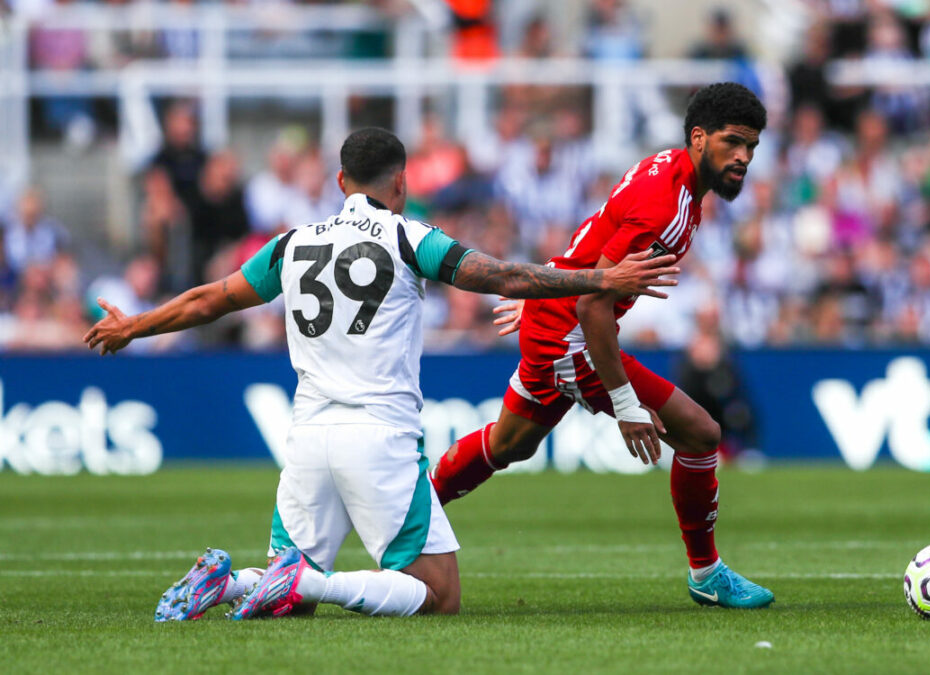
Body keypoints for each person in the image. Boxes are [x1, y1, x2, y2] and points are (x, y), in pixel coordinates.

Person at [83, 127, 678, 621]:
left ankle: (233, 581)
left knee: (282, 599)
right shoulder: (407, 234)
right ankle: (302, 583)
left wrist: (134, 325)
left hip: (309, 438)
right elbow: (503, 278)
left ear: (340, 182)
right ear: (401, 183)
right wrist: (602, 279)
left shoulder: (293, 243)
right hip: (379, 438)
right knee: (440, 596)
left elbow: (211, 299)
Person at [430, 82, 775, 609]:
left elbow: (594, 236)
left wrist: (545, 284)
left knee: (509, 445)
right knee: (703, 434)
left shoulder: (664, 167)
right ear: (700, 138)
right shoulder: (667, 204)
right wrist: (626, 403)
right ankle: (706, 574)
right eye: (734, 142)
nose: (744, 157)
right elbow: (596, 304)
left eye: (752, 146)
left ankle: (409, 510)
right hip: (573, 334)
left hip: (555, 319)